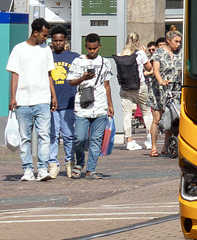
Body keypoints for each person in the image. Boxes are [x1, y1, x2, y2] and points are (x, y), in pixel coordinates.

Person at [7, 19, 55, 182]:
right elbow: (15, 74)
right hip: (23, 100)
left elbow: (49, 74)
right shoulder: (19, 49)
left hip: (42, 99)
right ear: (35, 32)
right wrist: (13, 97)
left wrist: (53, 95)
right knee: (25, 137)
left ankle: (42, 169)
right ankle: (27, 169)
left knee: (44, 135)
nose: (46, 38)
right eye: (44, 35)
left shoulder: (46, 50)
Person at [68, 34, 116, 179]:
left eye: (95, 48)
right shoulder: (78, 61)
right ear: (86, 47)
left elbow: (107, 85)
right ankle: (79, 162)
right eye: (89, 48)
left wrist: (110, 105)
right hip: (82, 105)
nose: (92, 51)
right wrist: (83, 78)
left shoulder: (105, 62)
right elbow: (71, 82)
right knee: (79, 138)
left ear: (99, 46)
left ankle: (91, 169)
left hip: (100, 105)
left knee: (96, 139)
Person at [46, 26, 77, 179]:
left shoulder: (74, 57)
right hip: (51, 103)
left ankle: (70, 163)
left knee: (68, 135)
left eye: (60, 40)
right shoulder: (47, 56)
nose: (58, 43)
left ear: (65, 40)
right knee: (52, 135)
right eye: (55, 40)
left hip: (69, 102)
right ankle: (52, 164)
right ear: (51, 41)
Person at [145, 32, 182, 157]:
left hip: (175, 89)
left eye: (179, 41)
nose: (178, 44)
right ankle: (154, 146)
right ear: (168, 40)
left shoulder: (180, 52)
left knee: (172, 119)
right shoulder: (159, 53)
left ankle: (166, 146)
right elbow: (155, 70)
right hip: (160, 90)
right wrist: (161, 81)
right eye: (176, 41)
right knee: (157, 119)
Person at [117, 33, 147, 150]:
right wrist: (143, 52)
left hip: (125, 87)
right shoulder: (140, 53)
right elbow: (148, 68)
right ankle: (150, 138)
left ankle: (129, 140)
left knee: (126, 114)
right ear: (137, 41)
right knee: (146, 112)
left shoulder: (121, 54)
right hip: (139, 86)